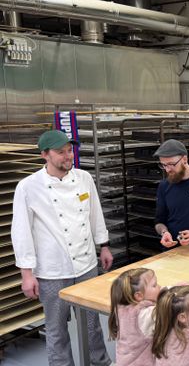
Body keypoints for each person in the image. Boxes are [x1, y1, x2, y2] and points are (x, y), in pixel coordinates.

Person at [11, 129, 113, 365]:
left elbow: (95, 215)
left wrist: (104, 246)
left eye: (70, 150)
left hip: (86, 265)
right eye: (61, 152)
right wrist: (27, 274)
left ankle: (100, 362)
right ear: (44, 155)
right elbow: (21, 233)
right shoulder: (28, 187)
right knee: (56, 331)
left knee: (92, 325)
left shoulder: (84, 178)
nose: (68, 157)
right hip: (52, 271)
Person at [108, 268, 189, 366]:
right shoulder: (145, 316)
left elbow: (175, 297)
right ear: (139, 296)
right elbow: (183, 301)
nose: (159, 287)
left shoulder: (124, 308)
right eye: (154, 285)